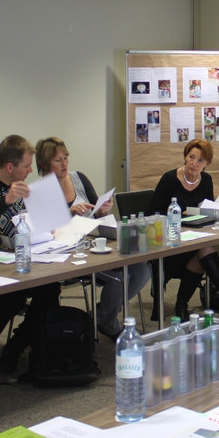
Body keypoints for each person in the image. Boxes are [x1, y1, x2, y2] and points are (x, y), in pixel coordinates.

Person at [0, 135, 61, 375]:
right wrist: (5, 200)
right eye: (26, 166)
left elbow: (27, 223)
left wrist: (45, 226)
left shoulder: (23, 187)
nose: (30, 171)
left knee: (50, 289)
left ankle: (18, 344)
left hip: (20, 257)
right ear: (9, 167)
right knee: (12, 296)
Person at [35, 136, 149, 338]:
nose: (64, 164)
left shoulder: (78, 177)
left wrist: (102, 209)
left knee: (142, 270)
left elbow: (96, 212)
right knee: (118, 276)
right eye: (58, 160)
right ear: (45, 164)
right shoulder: (41, 190)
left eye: (66, 158)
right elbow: (45, 230)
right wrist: (70, 212)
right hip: (68, 253)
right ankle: (108, 323)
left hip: (95, 242)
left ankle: (102, 313)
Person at [148, 138, 219, 320]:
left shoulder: (206, 180)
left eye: (200, 160)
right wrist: (177, 215)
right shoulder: (169, 179)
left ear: (207, 164)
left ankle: (184, 304)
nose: (194, 163)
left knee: (202, 249)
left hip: (194, 237)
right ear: (185, 156)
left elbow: (207, 209)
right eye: (191, 157)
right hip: (170, 242)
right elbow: (153, 213)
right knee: (203, 250)